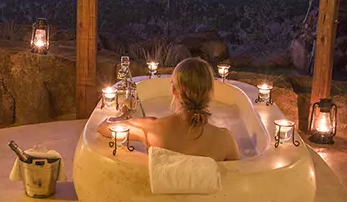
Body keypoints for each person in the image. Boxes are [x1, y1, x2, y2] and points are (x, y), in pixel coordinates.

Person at [98, 58, 241, 161]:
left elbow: (103, 128)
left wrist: (123, 114)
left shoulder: (152, 129)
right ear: (210, 92)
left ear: (173, 90)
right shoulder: (225, 140)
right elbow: (237, 178)